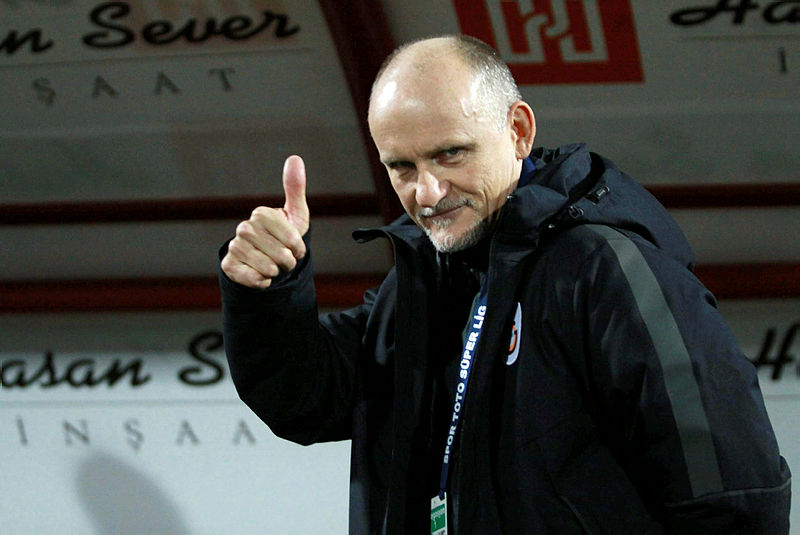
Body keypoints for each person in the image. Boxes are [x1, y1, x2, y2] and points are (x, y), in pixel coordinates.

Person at [219, 35, 790, 534]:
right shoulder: (420, 280)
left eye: (450, 154)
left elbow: (731, 496)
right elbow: (306, 400)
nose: (427, 193)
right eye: (402, 167)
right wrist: (269, 290)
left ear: (517, 131)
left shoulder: (603, 269)